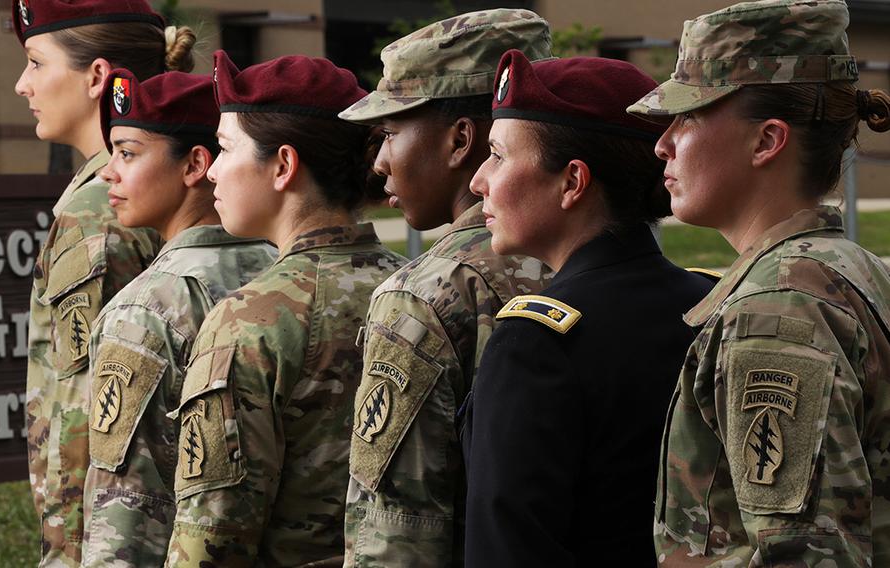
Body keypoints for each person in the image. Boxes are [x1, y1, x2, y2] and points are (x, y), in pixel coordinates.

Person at [626, 0, 890, 565]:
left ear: (767, 141)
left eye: (689, 117)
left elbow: (805, 555)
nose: (662, 143)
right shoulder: (857, 270)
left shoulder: (776, 310)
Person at [461, 49, 716, 566]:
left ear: (572, 182)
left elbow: (506, 549)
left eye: (499, 155)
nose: (478, 181)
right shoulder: (707, 303)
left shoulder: (536, 341)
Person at [164, 50, 405, 567]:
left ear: (283, 166)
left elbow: (211, 537)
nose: (213, 172)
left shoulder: (251, 318)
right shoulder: (415, 290)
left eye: (225, 149)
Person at [337, 9, 555, 567]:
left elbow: (395, 535)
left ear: (461, 141)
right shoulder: (588, 256)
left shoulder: (426, 294)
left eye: (388, 134)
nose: (380, 162)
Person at [12, 0, 196, 564]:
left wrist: (67, 554)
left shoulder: (97, 207)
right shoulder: (136, 185)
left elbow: (86, 410)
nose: (22, 85)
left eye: (36, 63)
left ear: (96, 77)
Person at [80, 69, 277, 567]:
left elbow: (125, 517)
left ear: (195, 164)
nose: (109, 171)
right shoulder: (286, 271)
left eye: (127, 152)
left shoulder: (145, 309)